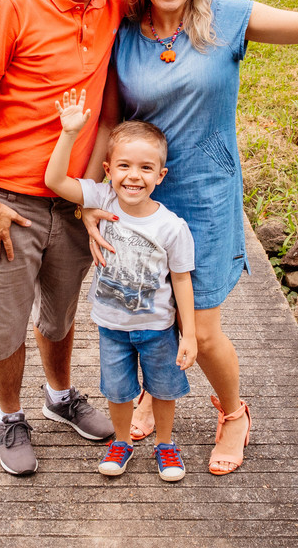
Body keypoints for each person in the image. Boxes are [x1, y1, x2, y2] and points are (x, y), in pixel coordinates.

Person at [0, 0, 298, 476]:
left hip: (77, 193)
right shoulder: (11, 3)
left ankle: (62, 396)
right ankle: (10, 416)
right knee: (0, 323)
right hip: (9, 197)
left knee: (62, 312)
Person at [106, 0, 298, 475]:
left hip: (209, 195)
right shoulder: (121, 28)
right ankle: (153, 390)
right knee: (152, 308)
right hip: (142, 198)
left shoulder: (227, 18)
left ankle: (234, 412)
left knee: (206, 328)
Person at [44, 93, 197, 482]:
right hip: (111, 326)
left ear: (160, 176)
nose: (134, 176)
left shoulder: (172, 227)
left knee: (163, 390)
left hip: (158, 328)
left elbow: (181, 279)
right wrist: (69, 133)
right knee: (117, 390)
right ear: (108, 169)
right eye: (124, 166)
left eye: (146, 168)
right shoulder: (101, 197)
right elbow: (55, 181)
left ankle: (166, 445)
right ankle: (123, 442)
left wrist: (189, 335)